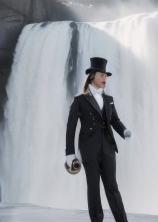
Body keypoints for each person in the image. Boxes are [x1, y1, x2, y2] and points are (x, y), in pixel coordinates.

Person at [65, 57, 131, 222]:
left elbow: (114, 120)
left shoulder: (109, 100)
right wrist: (70, 154)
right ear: (93, 75)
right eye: (102, 75)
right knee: (93, 188)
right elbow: (71, 128)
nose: (105, 79)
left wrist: (124, 131)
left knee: (112, 187)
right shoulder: (80, 100)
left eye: (106, 76)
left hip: (108, 148)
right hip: (89, 149)